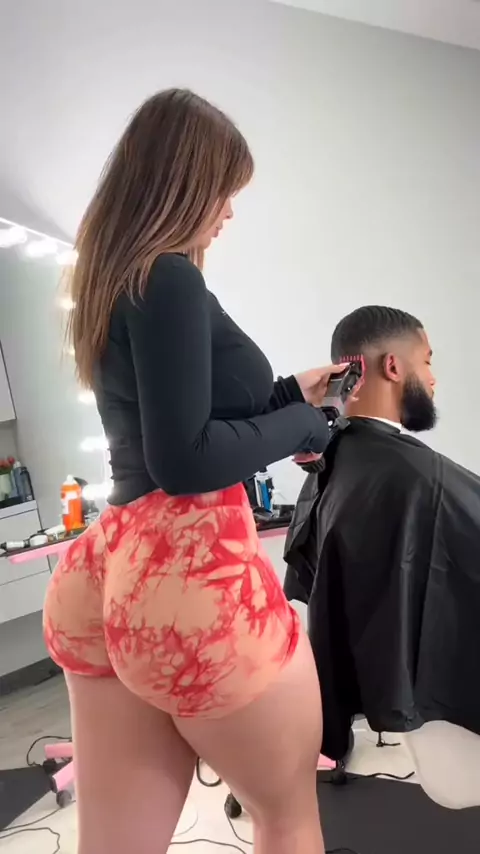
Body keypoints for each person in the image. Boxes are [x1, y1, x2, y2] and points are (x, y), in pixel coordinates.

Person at [43, 89, 343, 854]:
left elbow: (179, 424)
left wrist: (289, 394)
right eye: (221, 190)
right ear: (180, 182)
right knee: (287, 817)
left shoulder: (115, 278)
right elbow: (185, 461)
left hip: (109, 568)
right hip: (186, 575)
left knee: (117, 845)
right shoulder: (170, 276)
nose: (229, 211)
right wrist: (306, 426)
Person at [284, 305, 480, 809]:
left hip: (401, 695)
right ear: (393, 366)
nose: (433, 378)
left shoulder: (332, 460)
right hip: (451, 718)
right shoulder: (418, 477)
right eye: (427, 361)